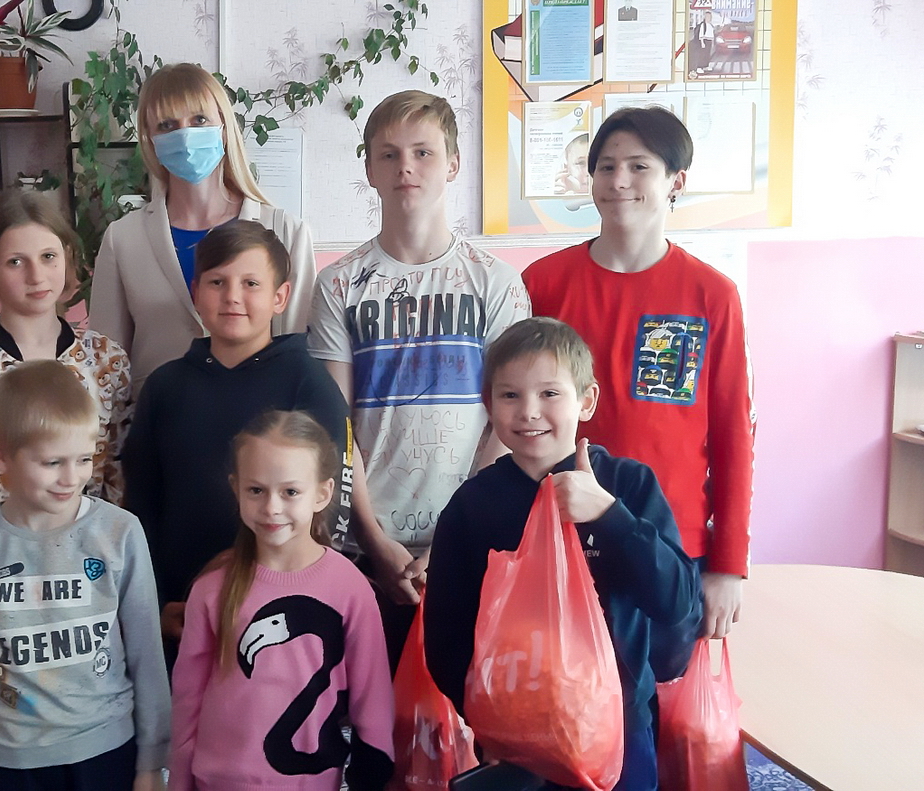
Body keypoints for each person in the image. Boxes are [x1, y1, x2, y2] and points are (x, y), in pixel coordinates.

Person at [424, 317, 701, 791]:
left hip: (618, 725)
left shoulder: (627, 486)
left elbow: (677, 601)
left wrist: (610, 516)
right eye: (510, 395)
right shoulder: (473, 507)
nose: (529, 412)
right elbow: (446, 633)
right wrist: (483, 717)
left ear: (586, 400)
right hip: (514, 731)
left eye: (549, 393)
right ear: (488, 404)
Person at [307, 89, 531, 669]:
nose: (405, 166)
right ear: (369, 170)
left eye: (423, 152)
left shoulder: (495, 282)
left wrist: (458, 527)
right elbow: (335, 423)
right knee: (370, 711)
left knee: (467, 706)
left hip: (471, 536)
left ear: (453, 164)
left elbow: (509, 419)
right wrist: (371, 535)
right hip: (365, 545)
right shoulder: (338, 285)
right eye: (389, 154)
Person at [523, 107, 754, 642]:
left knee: (664, 691)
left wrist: (728, 563)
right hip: (562, 534)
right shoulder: (543, 284)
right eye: (605, 167)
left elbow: (733, 435)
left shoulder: (712, 295)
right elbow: (511, 414)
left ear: (677, 181)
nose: (619, 181)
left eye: (638, 166)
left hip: (673, 546)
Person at [125, 221, 354, 660]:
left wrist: (294, 585)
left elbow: (333, 503)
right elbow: (141, 505)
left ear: (280, 297)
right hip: (182, 611)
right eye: (217, 282)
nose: (232, 296)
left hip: (283, 612)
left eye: (251, 283)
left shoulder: (309, 383)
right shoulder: (165, 387)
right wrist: (156, 602)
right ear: (196, 292)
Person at [0, 360, 169, 791]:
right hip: (6, 758)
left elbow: (146, 653)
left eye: (84, 459)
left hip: (105, 749)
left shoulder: (120, 532)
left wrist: (152, 762)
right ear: (0, 454)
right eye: (52, 462)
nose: (72, 478)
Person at [169, 410, 393, 791]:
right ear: (236, 488)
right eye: (256, 490)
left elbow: (373, 698)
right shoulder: (211, 588)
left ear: (322, 493)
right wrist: (179, 780)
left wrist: (373, 774)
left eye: (290, 492)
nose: (272, 507)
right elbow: (187, 697)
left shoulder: (350, 588)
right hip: (219, 781)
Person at [89, 62, 316, 394]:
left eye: (199, 120)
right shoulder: (123, 239)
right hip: (157, 419)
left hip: (261, 417)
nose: (184, 134)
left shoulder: (286, 232)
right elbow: (104, 365)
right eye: (167, 125)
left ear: (223, 127)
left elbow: (299, 355)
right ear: (150, 140)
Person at [0, 189, 130, 540]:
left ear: (67, 257)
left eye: (48, 256)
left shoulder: (106, 360)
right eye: (16, 262)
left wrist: (95, 548)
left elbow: (119, 473)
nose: (36, 276)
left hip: (90, 553)